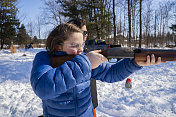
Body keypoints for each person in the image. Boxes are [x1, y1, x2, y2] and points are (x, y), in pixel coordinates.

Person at [30, 23, 161, 117]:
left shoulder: (82, 58)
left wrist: (134, 62)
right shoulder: (44, 58)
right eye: (75, 45)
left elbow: (111, 74)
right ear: (58, 47)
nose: (80, 50)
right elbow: (43, 88)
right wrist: (85, 62)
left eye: (82, 45)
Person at [67, 18, 98, 116]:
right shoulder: (66, 54)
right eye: (84, 32)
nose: (86, 35)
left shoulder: (87, 48)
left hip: (90, 103)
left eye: (86, 32)